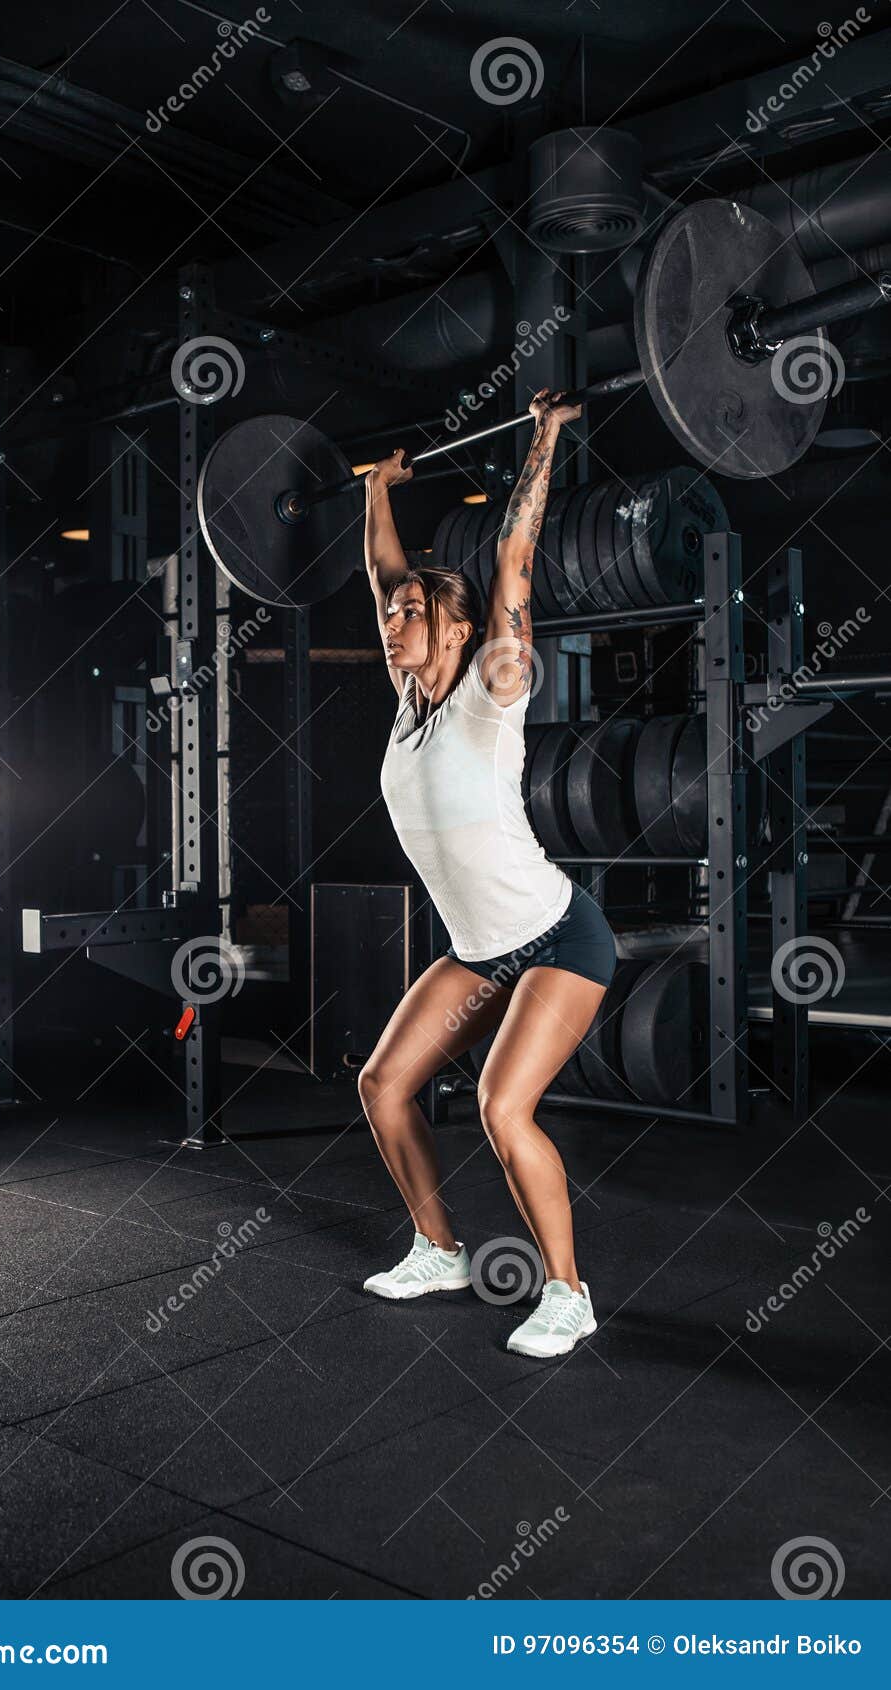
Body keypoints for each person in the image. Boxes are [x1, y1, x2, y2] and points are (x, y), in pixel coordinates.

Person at [358, 390, 617, 1358]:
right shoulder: (408, 703)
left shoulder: (489, 688)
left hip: (558, 937)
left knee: (500, 1105)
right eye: (389, 617)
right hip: (478, 951)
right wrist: (376, 490)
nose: (392, 622)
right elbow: (383, 567)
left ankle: (568, 1292)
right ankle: (438, 1248)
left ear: (459, 629)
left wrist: (542, 438)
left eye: (411, 614)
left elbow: (512, 557)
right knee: (383, 1083)